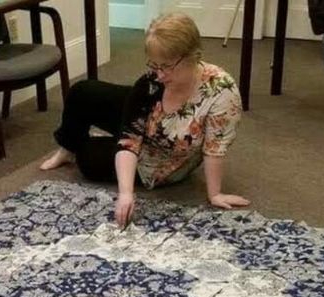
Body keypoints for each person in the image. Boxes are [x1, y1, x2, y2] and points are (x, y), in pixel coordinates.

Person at [41, 12, 250, 227]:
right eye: (154, 65)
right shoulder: (155, 79)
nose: (158, 74)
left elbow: (214, 149)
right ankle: (67, 148)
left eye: (166, 66)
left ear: (193, 56)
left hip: (165, 158)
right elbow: (129, 138)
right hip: (152, 121)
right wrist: (126, 194)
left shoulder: (222, 91)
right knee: (82, 92)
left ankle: (77, 150)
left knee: (87, 157)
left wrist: (214, 194)